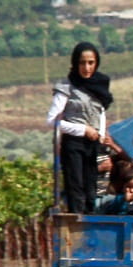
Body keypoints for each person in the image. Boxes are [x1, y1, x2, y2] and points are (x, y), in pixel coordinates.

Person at [46, 41, 115, 213]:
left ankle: (90, 227)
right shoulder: (66, 86)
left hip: (92, 145)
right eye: (82, 63)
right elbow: (52, 121)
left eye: (90, 63)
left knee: (91, 190)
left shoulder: (100, 84)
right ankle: (77, 230)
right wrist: (84, 130)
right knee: (76, 188)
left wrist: (100, 132)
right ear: (75, 63)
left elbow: (100, 111)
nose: (86, 67)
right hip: (73, 144)